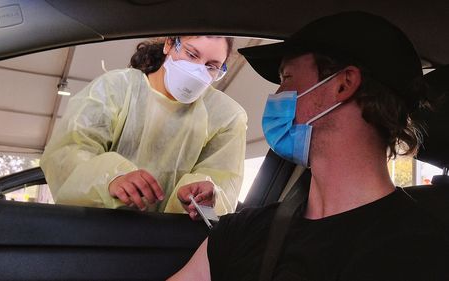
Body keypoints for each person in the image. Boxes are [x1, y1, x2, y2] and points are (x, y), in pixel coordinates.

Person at [168, 12, 448, 280]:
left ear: (343, 84)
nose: (277, 95)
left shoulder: (417, 252)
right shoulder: (240, 230)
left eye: (286, 78)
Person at [40, 36, 247, 219]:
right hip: (98, 230)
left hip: (170, 244)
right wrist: (110, 178)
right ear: (168, 44)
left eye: (211, 66)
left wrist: (202, 194)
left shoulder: (225, 116)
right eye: (191, 54)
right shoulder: (115, 89)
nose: (198, 71)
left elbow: (224, 181)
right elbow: (66, 152)